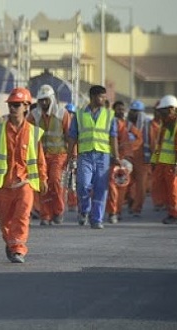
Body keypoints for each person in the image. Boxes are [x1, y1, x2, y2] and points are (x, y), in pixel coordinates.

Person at [0, 87, 47, 263]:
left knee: (21, 216)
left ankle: (18, 248)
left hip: (24, 183)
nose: (13, 108)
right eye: (11, 105)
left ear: (26, 106)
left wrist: (43, 178)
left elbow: (40, 158)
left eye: (17, 105)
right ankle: (11, 243)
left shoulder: (34, 132)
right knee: (4, 220)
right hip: (3, 183)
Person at [66, 85, 118, 229]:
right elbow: (72, 136)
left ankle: (97, 219)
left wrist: (116, 156)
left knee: (101, 188)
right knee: (82, 185)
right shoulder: (80, 114)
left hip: (103, 155)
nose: (103, 99)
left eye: (104, 97)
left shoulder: (109, 114)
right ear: (92, 97)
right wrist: (69, 155)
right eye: (101, 97)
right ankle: (84, 209)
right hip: (85, 155)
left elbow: (113, 137)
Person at [27, 85, 72, 225]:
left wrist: (73, 155)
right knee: (41, 184)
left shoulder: (62, 113)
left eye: (46, 100)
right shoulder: (33, 115)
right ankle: (45, 214)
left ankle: (58, 211)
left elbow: (70, 136)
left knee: (55, 181)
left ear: (51, 99)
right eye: (41, 100)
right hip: (40, 156)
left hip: (58, 155)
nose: (44, 103)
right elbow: (26, 135)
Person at [151, 95, 177, 224]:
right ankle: (170, 212)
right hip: (163, 162)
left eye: (163, 110)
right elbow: (159, 145)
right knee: (163, 188)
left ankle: (175, 215)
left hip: (173, 164)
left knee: (174, 190)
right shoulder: (165, 125)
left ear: (172, 109)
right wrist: (154, 161)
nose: (160, 113)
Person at [105, 101, 142, 223]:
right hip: (110, 159)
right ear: (113, 110)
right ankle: (112, 212)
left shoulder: (126, 126)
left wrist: (128, 158)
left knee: (121, 187)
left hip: (123, 160)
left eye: (122, 109)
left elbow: (137, 139)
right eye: (118, 109)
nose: (121, 111)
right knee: (112, 186)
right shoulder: (109, 123)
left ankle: (117, 211)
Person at [126, 100, 150, 217]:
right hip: (129, 157)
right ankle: (130, 201)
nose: (133, 113)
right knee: (128, 181)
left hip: (143, 158)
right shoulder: (126, 124)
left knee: (141, 185)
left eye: (136, 111)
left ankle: (137, 207)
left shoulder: (147, 125)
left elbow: (154, 143)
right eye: (132, 111)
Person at [64, 103, 78, 211]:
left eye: (72, 113)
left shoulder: (75, 125)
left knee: (73, 181)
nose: (70, 115)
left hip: (75, 156)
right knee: (67, 180)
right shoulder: (64, 124)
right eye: (69, 113)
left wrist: (74, 156)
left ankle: (73, 202)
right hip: (65, 155)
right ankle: (69, 201)